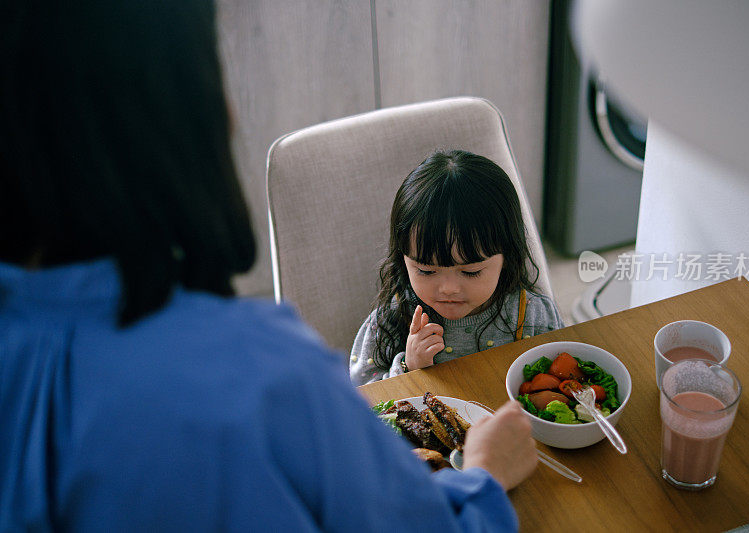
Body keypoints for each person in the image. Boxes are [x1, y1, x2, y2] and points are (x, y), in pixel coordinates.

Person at [0, 1, 540, 530]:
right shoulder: (269, 375)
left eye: (471, 271)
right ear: (195, 117)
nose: (448, 286)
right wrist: (484, 478)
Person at [350, 150, 564, 385]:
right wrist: (409, 368)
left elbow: (559, 383)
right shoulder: (391, 318)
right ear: (403, 260)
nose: (449, 289)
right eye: (426, 271)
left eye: (471, 272)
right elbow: (360, 400)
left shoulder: (532, 315)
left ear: (508, 257)